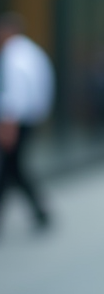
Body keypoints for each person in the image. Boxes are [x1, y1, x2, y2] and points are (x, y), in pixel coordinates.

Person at [0, 13, 54, 233]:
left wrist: (8, 125)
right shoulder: (31, 52)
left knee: (11, 168)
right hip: (29, 119)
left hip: (17, 121)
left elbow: (16, 94)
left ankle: (40, 211)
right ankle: (40, 211)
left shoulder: (13, 55)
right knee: (14, 168)